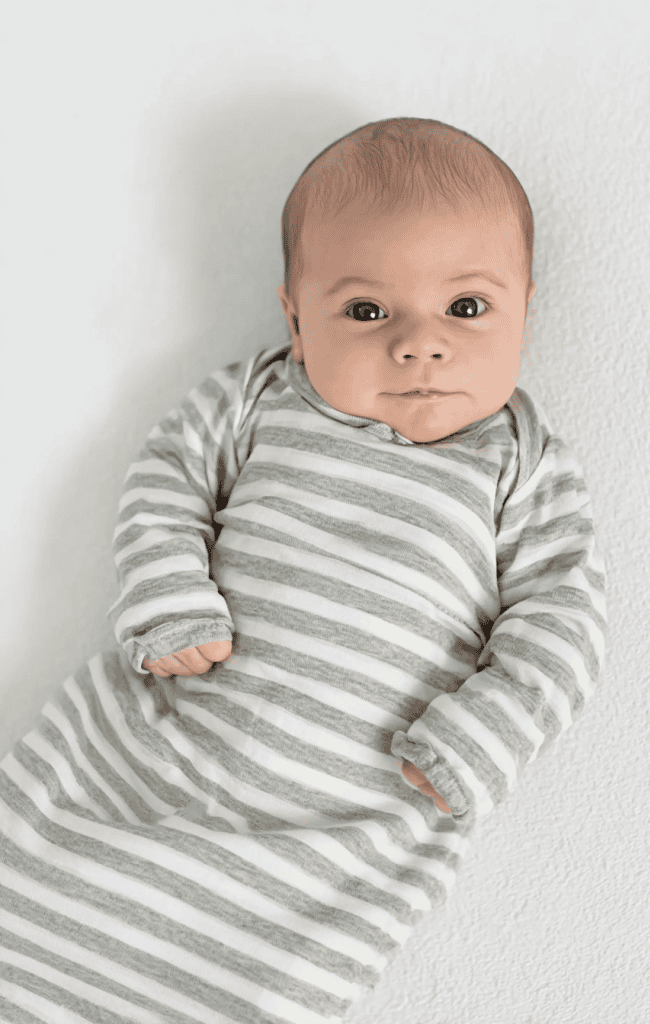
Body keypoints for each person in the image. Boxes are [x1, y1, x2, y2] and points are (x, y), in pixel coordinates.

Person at [0, 117, 606, 1024]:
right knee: (45, 891)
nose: (419, 344)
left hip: (352, 808)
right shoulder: (256, 397)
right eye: (367, 312)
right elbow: (167, 479)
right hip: (174, 740)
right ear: (294, 315)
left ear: (526, 303)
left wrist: (492, 728)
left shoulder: (521, 465)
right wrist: (167, 590)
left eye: (466, 308)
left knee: (254, 982)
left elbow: (563, 618)